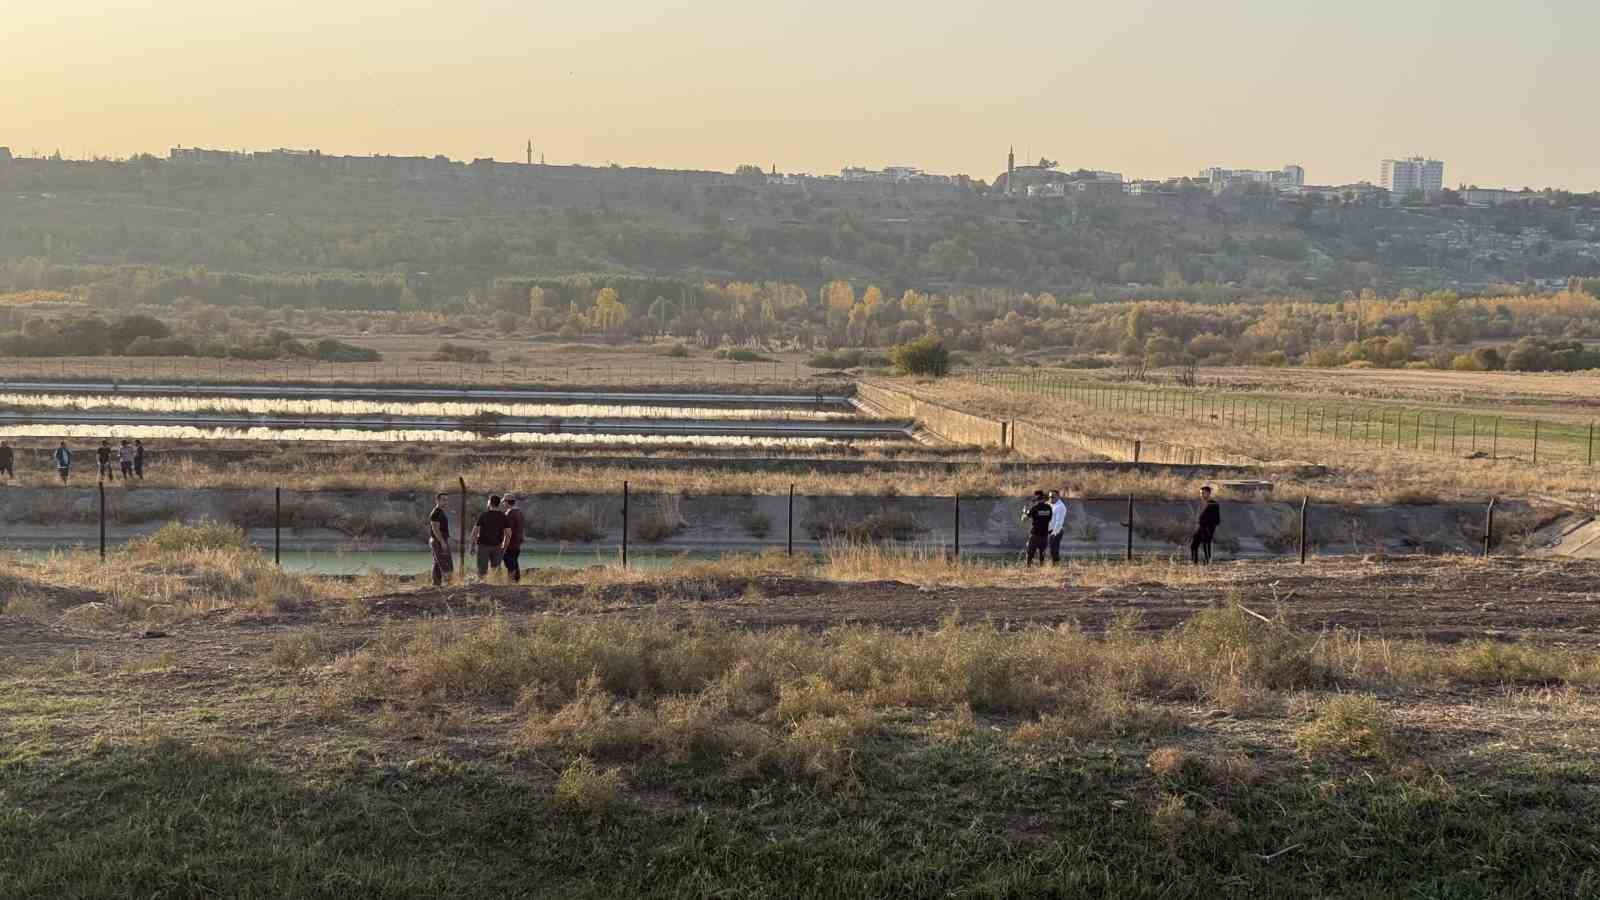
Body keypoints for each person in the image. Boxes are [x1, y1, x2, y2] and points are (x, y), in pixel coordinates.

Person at [470, 494, 508, 579]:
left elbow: (474, 532)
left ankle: (482, 588)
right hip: (497, 546)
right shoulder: (503, 516)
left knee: (482, 571)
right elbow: (508, 534)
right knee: (496, 571)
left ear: (490, 503)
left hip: (483, 546)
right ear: (499, 504)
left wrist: (472, 546)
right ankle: (497, 587)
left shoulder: (483, 515)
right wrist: (504, 547)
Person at [1020, 490, 1054, 566]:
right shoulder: (1049, 508)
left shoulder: (1035, 508)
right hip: (1044, 534)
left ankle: (1028, 568)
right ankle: (1041, 568)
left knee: (1030, 552)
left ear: (1037, 497)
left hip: (1035, 534)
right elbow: (1050, 519)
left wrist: (1024, 512)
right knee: (1042, 553)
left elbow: (1024, 520)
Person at [427, 492, 453, 586]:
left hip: (439, 540)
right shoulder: (436, 513)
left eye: (447, 500)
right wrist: (442, 542)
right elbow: (435, 529)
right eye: (443, 500)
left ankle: (436, 584)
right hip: (438, 541)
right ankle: (449, 583)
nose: (446, 502)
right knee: (445, 562)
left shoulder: (441, 512)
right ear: (437, 500)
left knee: (437, 563)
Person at [1192, 485, 1222, 565]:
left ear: (1208, 493)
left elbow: (1217, 519)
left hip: (1208, 528)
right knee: (1194, 545)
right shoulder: (1203, 503)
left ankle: (1207, 562)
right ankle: (1195, 563)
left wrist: (1211, 530)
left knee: (1206, 545)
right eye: (1200, 493)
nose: (1201, 495)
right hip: (1201, 527)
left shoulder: (1213, 504)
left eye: (1203, 493)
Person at [501, 495, 525, 583]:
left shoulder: (509, 513)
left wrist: (504, 544)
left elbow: (508, 531)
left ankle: (512, 581)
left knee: (508, 561)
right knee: (514, 561)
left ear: (507, 502)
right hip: (518, 542)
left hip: (511, 542)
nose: (503, 503)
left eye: (504, 502)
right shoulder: (519, 512)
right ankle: (516, 581)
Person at [1047, 488, 1068, 565]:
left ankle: (1056, 565)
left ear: (1058, 497)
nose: (1050, 498)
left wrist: (1054, 533)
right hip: (1048, 530)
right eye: (1049, 497)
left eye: (1052, 497)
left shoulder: (1060, 507)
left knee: (1053, 549)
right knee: (1051, 548)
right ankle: (1054, 563)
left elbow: (1059, 522)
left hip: (1056, 531)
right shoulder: (1050, 504)